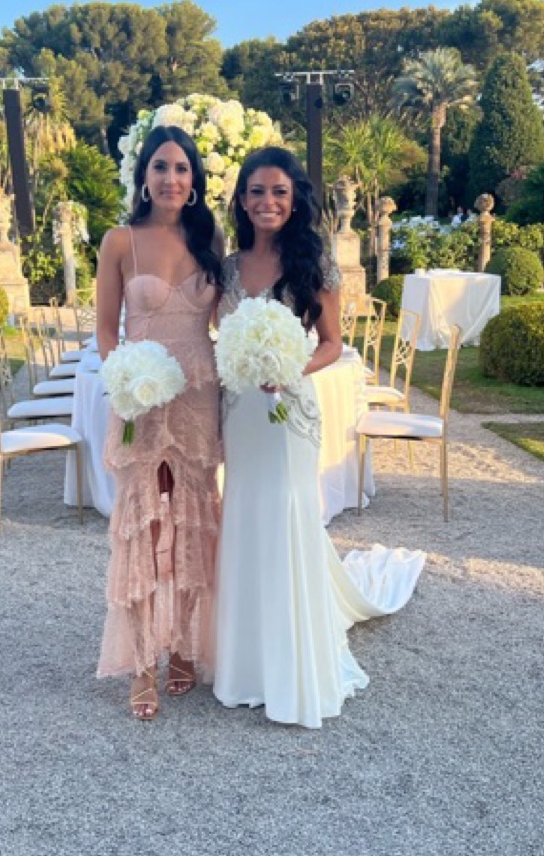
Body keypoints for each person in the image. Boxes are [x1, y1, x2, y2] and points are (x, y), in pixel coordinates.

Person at [213, 146, 424, 729]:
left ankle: (293, 660)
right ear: (242, 200)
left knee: (286, 515)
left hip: (289, 412)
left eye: (279, 191)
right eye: (257, 191)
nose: (267, 202)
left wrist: (290, 367)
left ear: (295, 199)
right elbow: (219, 337)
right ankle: (246, 662)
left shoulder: (315, 262)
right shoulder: (226, 269)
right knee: (244, 514)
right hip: (241, 412)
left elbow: (331, 343)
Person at [96, 125, 223, 720]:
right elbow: (105, 327)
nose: (171, 178)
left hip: (197, 396)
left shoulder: (210, 237)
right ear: (143, 175)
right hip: (141, 399)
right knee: (145, 525)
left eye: (181, 168)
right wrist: (122, 378)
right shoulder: (119, 241)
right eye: (161, 166)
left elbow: (229, 313)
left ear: (194, 179)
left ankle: (185, 648)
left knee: (195, 519)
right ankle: (144, 661)